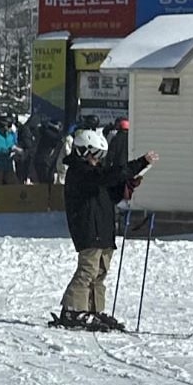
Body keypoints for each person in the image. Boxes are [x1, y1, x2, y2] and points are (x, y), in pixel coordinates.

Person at [53, 129, 155, 331]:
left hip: (104, 228)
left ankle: (93, 310)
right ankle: (72, 310)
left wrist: (127, 186)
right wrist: (138, 164)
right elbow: (106, 177)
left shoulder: (94, 173)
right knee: (87, 270)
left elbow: (110, 193)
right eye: (95, 155)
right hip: (88, 228)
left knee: (100, 272)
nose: (98, 160)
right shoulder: (79, 172)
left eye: (100, 156)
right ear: (83, 152)